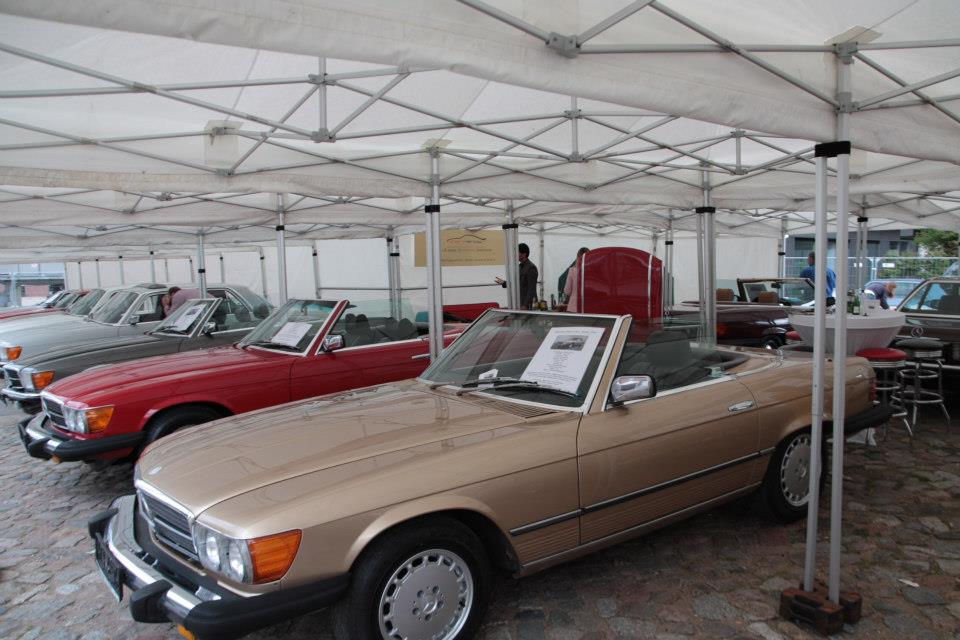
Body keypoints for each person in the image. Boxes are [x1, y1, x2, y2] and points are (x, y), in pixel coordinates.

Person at [495, 243, 539, 310]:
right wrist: (505, 283)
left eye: (517, 253)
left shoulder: (531, 268)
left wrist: (525, 305)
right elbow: (518, 284)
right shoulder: (520, 266)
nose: (514, 255)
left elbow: (531, 289)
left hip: (528, 305)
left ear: (523, 254)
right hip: (519, 302)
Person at [563, 247, 590, 312]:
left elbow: (567, 291)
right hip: (589, 307)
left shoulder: (572, 270)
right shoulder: (592, 271)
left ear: (578, 257)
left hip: (573, 307)